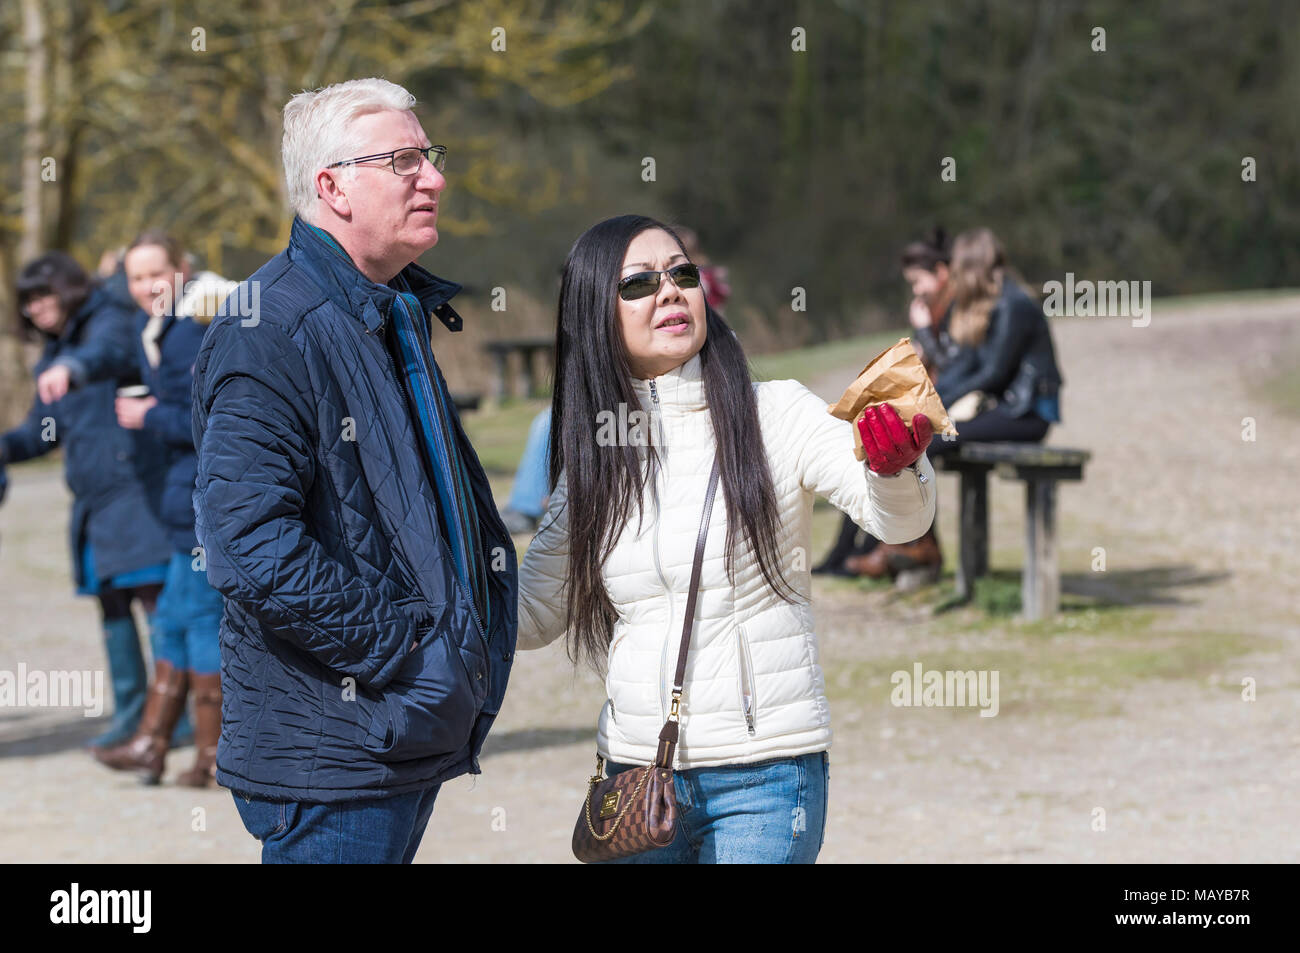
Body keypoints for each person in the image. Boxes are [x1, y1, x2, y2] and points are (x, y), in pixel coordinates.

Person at [515, 215, 936, 863]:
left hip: (764, 776)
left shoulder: (779, 412)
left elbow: (898, 521)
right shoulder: (597, 453)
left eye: (682, 273)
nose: (671, 291)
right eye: (639, 283)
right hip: (636, 776)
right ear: (594, 314)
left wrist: (896, 467)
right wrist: (440, 559)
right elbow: (534, 610)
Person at [191, 77, 517, 863]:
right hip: (336, 750)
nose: (433, 178)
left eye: (428, 156)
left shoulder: (389, 308)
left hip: (395, 733)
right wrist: (409, 652)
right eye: (403, 159)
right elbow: (247, 545)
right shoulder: (270, 327)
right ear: (330, 186)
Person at [0, 252, 174, 749]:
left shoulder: (110, 320)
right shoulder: (54, 355)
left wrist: (75, 367)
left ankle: (176, 717)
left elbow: (107, 354)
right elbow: (41, 433)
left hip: (137, 491)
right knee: (112, 603)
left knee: (156, 602)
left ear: (69, 290)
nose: (35, 309)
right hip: (93, 502)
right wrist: (5, 447)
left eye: (42, 296)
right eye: (27, 302)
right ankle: (133, 712)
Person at [91, 232, 234, 786]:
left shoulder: (191, 330)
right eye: (135, 277)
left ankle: (213, 755)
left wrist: (147, 417)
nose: (147, 286)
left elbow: (214, 423)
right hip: (180, 502)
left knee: (199, 619)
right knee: (173, 618)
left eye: (157, 273)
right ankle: (152, 744)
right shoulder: (158, 326)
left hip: (203, 498)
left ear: (183, 268)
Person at [844, 227, 1064, 581]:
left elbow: (992, 374)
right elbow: (966, 367)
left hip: (1027, 414)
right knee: (917, 441)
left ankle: (915, 545)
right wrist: (921, 401)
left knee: (929, 445)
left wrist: (935, 403)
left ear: (971, 266)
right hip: (1005, 410)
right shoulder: (992, 304)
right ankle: (911, 544)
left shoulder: (1013, 304)